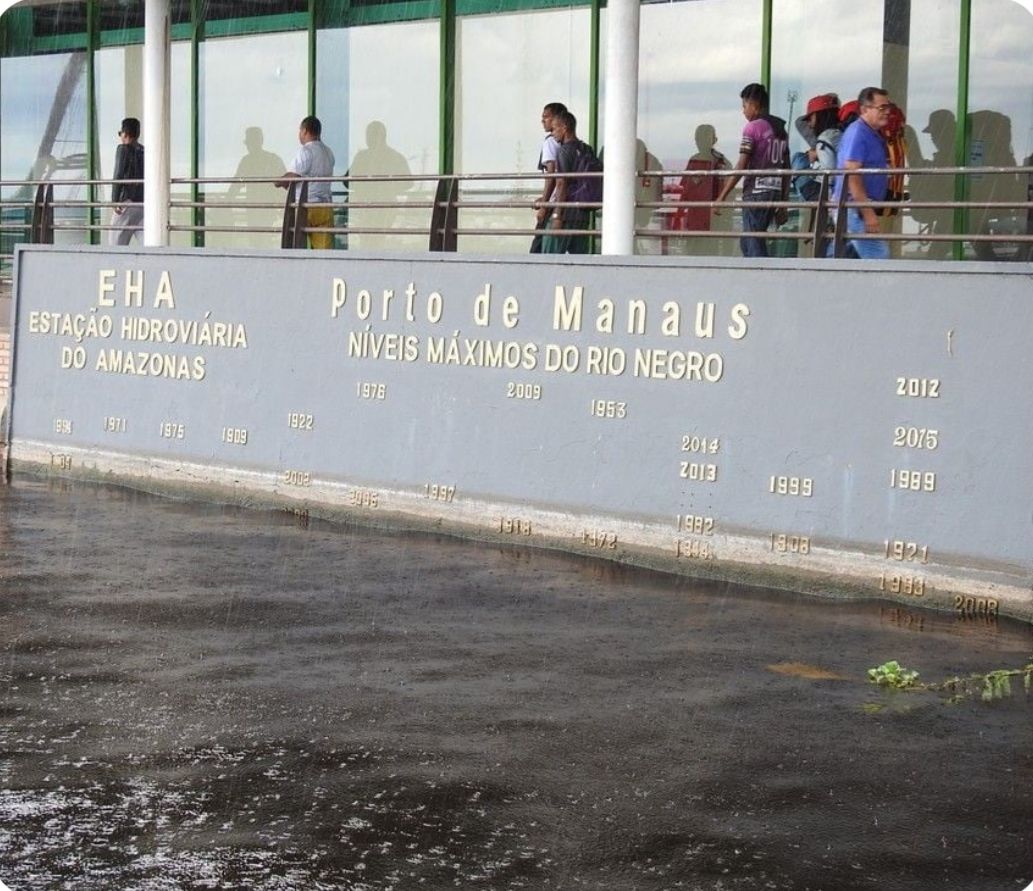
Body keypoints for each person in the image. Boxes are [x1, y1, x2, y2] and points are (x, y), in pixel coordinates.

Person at [715, 83, 790, 258]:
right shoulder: (780, 130)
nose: (743, 111)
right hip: (774, 192)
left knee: (753, 243)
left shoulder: (753, 128)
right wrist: (783, 203)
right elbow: (787, 168)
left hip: (756, 192)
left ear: (754, 104)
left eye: (744, 106)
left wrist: (721, 196)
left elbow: (741, 165)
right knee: (747, 241)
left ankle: (762, 273)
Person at [833, 87, 892, 259]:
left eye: (888, 107)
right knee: (879, 257)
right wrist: (867, 213)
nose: (887, 112)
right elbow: (852, 174)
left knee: (845, 259)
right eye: (882, 108)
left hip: (853, 208)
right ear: (865, 109)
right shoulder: (858, 133)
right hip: (854, 209)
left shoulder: (870, 133)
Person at [347, 121, 412, 250]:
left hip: (368, 206)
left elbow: (347, 181)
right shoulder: (395, 156)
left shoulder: (362, 157)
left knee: (368, 241)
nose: (367, 139)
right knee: (377, 240)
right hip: (386, 206)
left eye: (369, 135)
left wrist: (364, 187)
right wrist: (390, 187)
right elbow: (408, 183)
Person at [277, 115, 335, 249]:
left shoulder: (306, 151)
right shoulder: (328, 152)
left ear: (305, 131)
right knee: (323, 252)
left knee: (297, 247)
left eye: (300, 130)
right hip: (325, 207)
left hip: (305, 208)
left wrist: (278, 182)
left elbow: (293, 175)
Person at [542, 110, 591, 255]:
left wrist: (557, 215)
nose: (553, 133)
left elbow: (561, 183)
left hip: (566, 214)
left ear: (564, 128)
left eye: (555, 129)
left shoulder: (564, 151)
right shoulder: (587, 149)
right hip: (582, 214)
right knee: (580, 260)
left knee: (548, 258)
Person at [228, 126, 286, 246]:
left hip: (256, 208)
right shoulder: (272, 159)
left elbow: (235, 185)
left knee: (257, 241)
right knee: (265, 241)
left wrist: (226, 201)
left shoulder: (247, 161)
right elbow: (285, 185)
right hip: (266, 209)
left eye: (249, 143)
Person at [531, 102, 567, 253]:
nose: (543, 121)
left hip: (552, 205)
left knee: (537, 249)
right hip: (562, 202)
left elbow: (551, 176)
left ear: (556, 119)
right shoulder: (564, 143)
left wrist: (544, 206)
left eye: (546, 117)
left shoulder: (550, 143)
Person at [791, 93, 841, 202]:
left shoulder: (825, 138)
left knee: (798, 159)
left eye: (811, 118)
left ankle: (805, 204)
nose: (809, 124)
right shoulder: (840, 133)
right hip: (839, 188)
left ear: (820, 116)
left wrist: (813, 168)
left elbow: (829, 175)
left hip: (829, 193)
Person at [109, 117, 144, 246]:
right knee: (147, 240)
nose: (120, 137)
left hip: (127, 201)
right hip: (142, 203)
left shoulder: (123, 149)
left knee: (115, 241)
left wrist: (115, 200)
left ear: (125, 134)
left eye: (120, 133)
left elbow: (118, 174)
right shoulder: (144, 151)